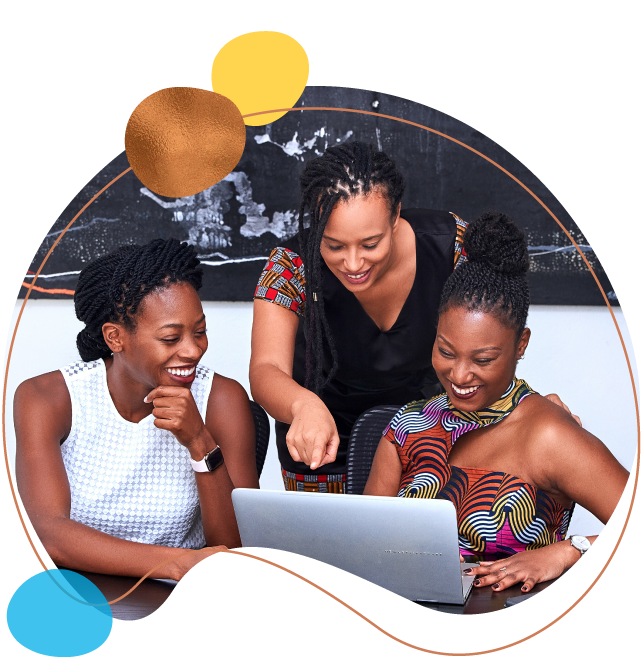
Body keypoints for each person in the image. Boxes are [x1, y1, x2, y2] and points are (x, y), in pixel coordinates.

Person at [250, 141, 577, 493]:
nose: (354, 263)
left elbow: (492, 336)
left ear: (395, 216)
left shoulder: (452, 248)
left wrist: (527, 408)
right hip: (319, 448)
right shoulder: (290, 266)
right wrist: (302, 405)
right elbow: (265, 369)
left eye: (370, 243)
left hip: (426, 442)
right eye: (334, 246)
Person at [363, 211, 629, 592]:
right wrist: (410, 555)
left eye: (483, 359)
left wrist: (570, 551)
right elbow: (363, 542)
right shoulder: (407, 426)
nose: (459, 375)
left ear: (521, 344)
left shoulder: (549, 434)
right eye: (446, 351)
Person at [14, 239, 259, 581]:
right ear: (115, 338)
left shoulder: (221, 399)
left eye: (200, 331)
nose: (192, 350)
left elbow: (235, 546)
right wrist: (174, 564)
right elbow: (47, 534)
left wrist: (200, 443)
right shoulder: (48, 399)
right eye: (171, 338)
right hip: (78, 594)